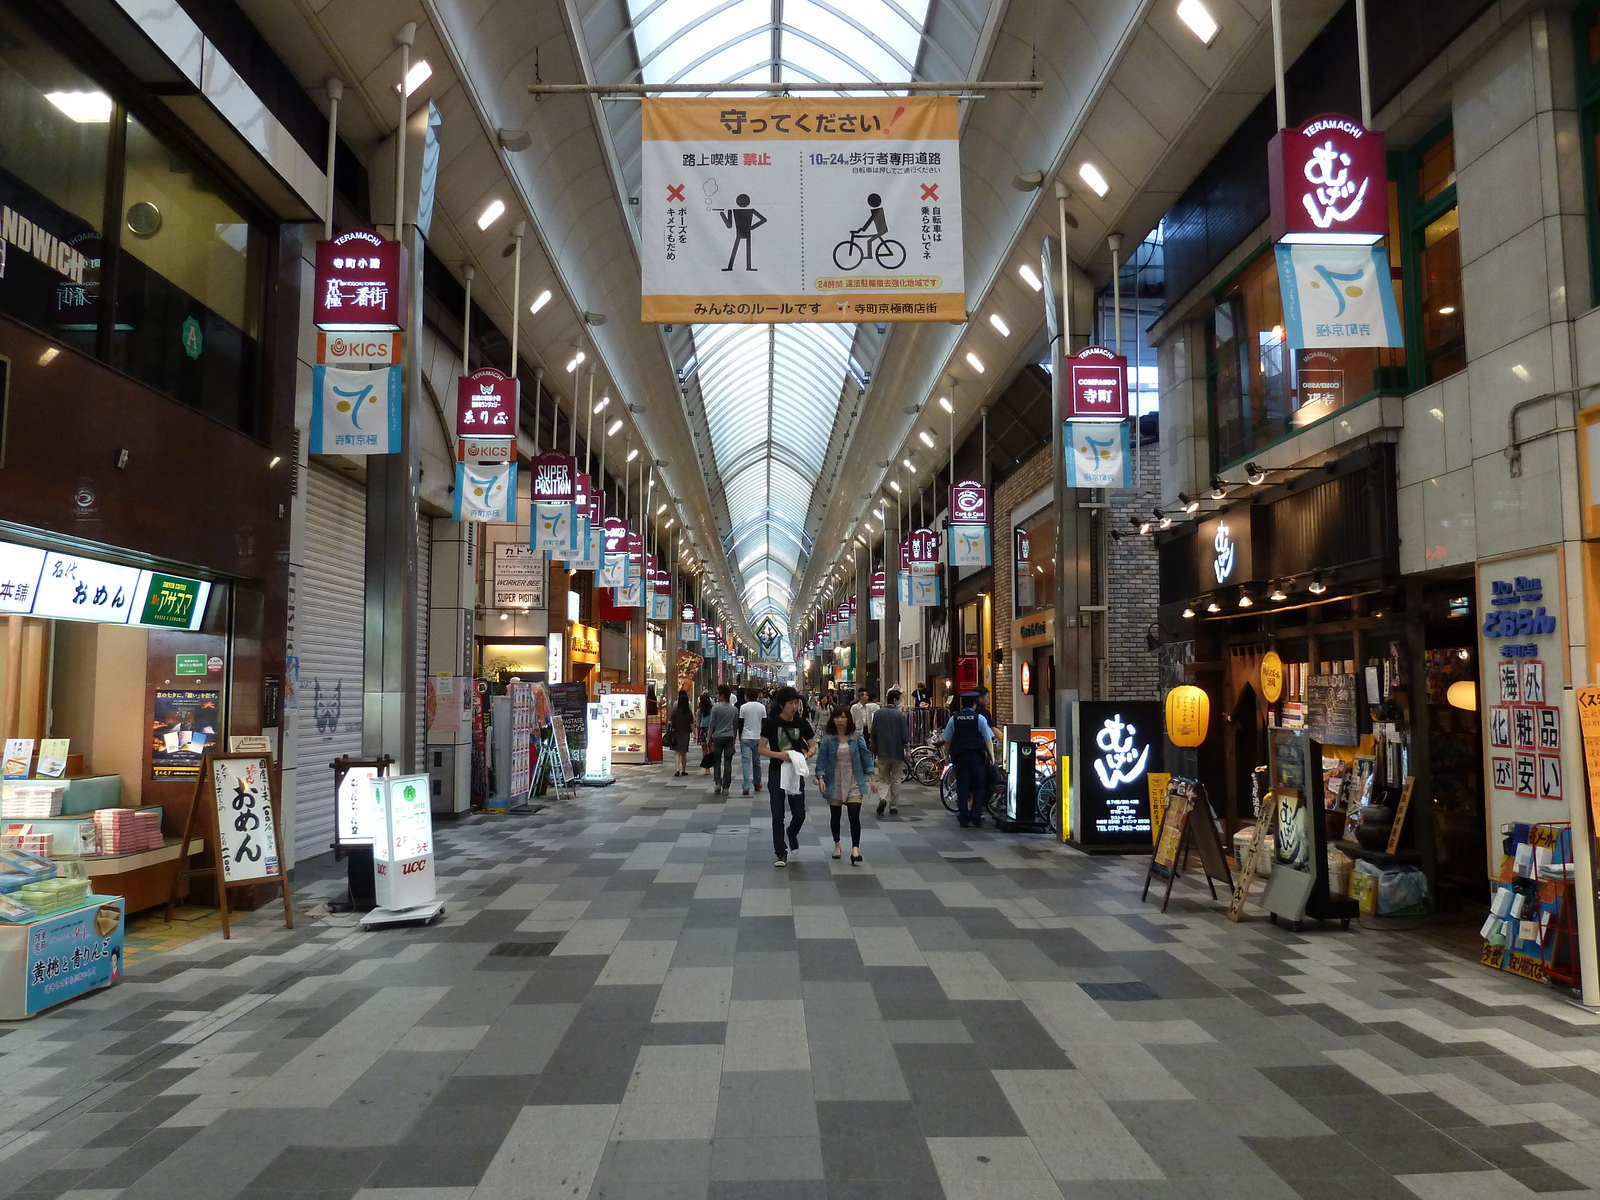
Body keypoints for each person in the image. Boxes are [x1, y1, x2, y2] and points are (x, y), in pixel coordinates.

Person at [759, 685, 814, 868]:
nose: (794, 706)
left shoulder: (802, 724)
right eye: (790, 703)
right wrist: (779, 755)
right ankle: (780, 852)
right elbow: (761, 749)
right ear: (782, 704)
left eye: (796, 703)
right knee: (777, 814)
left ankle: (792, 833)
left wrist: (808, 754)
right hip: (777, 771)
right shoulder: (771, 723)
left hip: (795, 773)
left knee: (799, 813)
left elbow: (813, 746)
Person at [814, 706, 875, 864]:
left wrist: (873, 778)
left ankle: (855, 849)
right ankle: (837, 844)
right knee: (835, 816)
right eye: (837, 717)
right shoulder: (828, 739)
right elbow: (821, 761)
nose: (840, 720)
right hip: (834, 781)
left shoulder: (856, 736)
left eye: (843, 717)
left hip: (854, 781)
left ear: (848, 718)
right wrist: (820, 778)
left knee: (854, 815)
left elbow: (866, 756)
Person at [944, 692, 996, 829]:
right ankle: (976, 814)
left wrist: (946, 755)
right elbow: (987, 738)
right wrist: (992, 755)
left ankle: (963, 817)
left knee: (962, 786)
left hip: (960, 757)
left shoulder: (953, 719)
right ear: (974, 704)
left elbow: (947, 741)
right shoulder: (979, 718)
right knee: (979, 785)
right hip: (976, 757)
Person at [870, 688, 911, 816]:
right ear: (895, 700)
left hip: (882, 751)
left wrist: (873, 748)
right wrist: (907, 750)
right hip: (897, 752)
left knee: (882, 778)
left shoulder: (878, 714)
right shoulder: (900, 715)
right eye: (899, 700)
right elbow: (905, 735)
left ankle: (882, 798)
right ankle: (893, 806)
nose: (900, 702)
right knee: (896, 779)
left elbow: (873, 734)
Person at [721, 194, 766, 271]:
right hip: (742, 232)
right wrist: (723, 214)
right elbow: (729, 225)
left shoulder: (740, 211)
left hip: (744, 232)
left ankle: (735, 267)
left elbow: (763, 219)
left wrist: (752, 227)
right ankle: (733, 267)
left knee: (741, 249)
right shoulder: (745, 211)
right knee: (740, 249)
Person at [709, 686, 740, 795]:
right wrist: (734, 738)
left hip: (717, 737)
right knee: (728, 763)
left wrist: (709, 737)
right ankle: (726, 786)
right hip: (729, 737)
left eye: (717, 694)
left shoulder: (715, 708)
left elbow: (712, 724)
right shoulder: (734, 709)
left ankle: (717, 783)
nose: (717, 696)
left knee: (717, 761)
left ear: (722, 695)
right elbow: (735, 726)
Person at [739, 687, 768, 796]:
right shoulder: (762, 707)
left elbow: (740, 724)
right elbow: (765, 723)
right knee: (757, 761)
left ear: (746, 696)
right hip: (758, 737)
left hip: (746, 736)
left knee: (746, 762)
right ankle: (757, 783)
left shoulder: (743, 707)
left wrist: (739, 736)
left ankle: (746, 786)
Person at [669, 690, 694, 776]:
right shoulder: (688, 712)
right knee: (684, 753)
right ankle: (683, 770)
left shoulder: (675, 711)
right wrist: (695, 733)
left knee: (676, 752)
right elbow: (692, 724)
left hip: (676, 732)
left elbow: (669, 722)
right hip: (685, 733)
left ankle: (677, 769)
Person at [697, 693, 714, 776]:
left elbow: (698, 723)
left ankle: (706, 768)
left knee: (704, 750)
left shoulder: (700, 711)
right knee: (711, 749)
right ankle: (712, 764)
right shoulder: (712, 710)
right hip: (710, 729)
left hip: (702, 730)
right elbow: (713, 721)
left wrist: (697, 734)